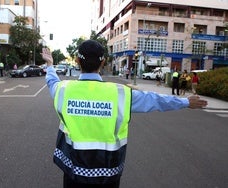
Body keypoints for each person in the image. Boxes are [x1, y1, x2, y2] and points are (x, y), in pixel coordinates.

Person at [41, 40, 207, 188]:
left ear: (77, 61)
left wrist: (50, 65)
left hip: (74, 171)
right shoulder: (121, 94)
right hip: (107, 173)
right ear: (103, 62)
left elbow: (52, 81)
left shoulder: (64, 90)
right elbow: (154, 100)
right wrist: (185, 102)